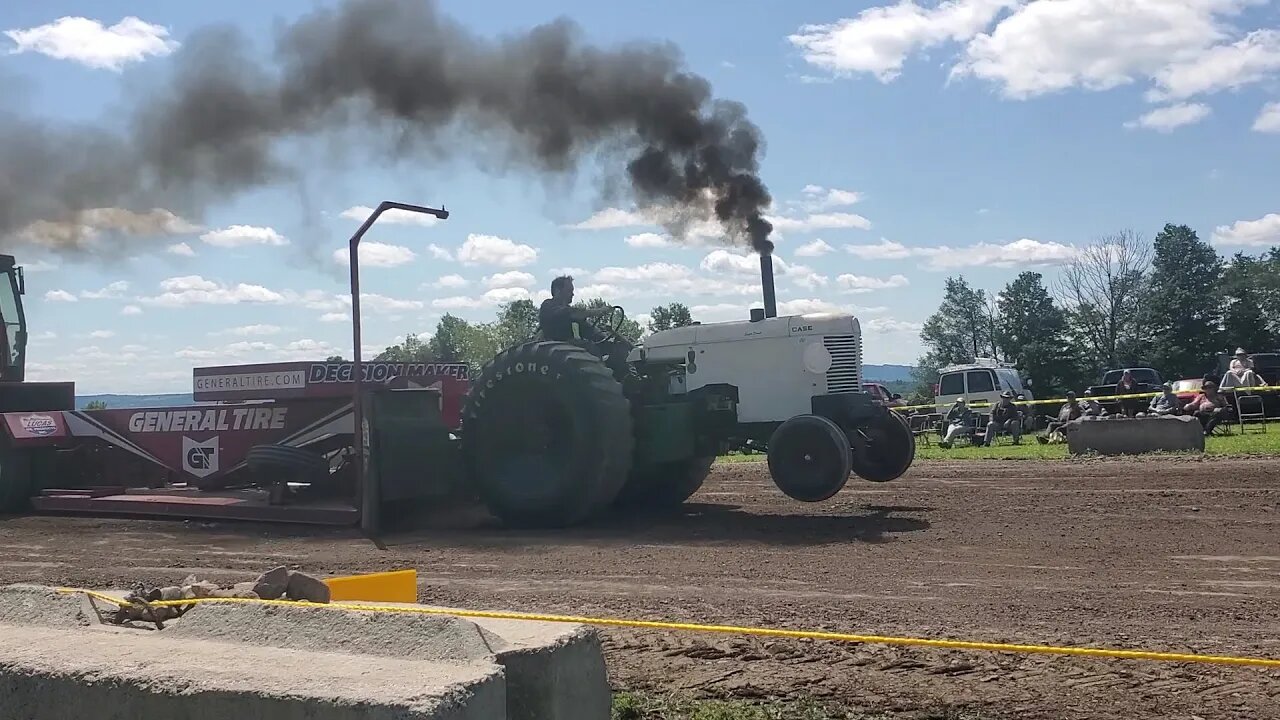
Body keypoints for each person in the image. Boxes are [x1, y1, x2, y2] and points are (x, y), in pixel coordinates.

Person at [538, 275, 633, 379]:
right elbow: (571, 313)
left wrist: (607, 338)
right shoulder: (548, 306)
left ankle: (626, 377)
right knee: (590, 347)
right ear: (557, 291)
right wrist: (599, 311)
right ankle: (600, 378)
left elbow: (588, 329)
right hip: (555, 346)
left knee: (616, 347)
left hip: (571, 346)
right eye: (569, 290)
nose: (573, 294)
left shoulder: (572, 314)